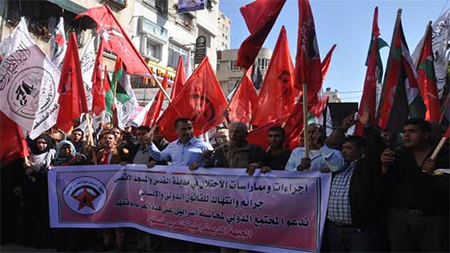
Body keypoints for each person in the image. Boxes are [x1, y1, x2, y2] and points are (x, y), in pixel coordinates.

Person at [324, 106, 387, 252]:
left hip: (359, 232)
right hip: (334, 229)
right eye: (343, 148)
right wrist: (343, 128)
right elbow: (327, 145)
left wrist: (368, 127)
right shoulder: (337, 166)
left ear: (360, 150)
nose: (344, 151)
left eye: (349, 148)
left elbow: (374, 150)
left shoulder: (367, 167)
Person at [381, 119, 449, 252]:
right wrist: (384, 167)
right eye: (404, 131)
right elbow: (385, 187)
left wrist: (434, 174)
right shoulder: (398, 155)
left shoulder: (443, 156)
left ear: (425, 135)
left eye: (412, 131)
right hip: (401, 220)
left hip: (433, 221)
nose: (406, 135)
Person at [95, 131, 130, 251]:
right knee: (104, 215)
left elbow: (127, 161)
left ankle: (120, 244)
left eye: (110, 138)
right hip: (102, 188)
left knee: (117, 216)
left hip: (117, 188)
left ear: (115, 140)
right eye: (105, 138)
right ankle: (107, 242)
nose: (107, 140)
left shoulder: (122, 152)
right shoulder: (99, 153)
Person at [21, 134, 56, 248]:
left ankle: (46, 241)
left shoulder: (51, 155)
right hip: (33, 191)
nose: (41, 145)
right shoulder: (31, 156)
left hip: (47, 191)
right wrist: (27, 169)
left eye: (44, 143)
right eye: (39, 143)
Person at [147, 118, 213, 167]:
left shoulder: (204, 146)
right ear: (176, 131)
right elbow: (159, 157)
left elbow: (214, 166)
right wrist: (149, 143)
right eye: (183, 129)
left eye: (190, 128)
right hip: (175, 182)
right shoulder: (172, 145)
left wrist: (204, 162)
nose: (187, 132)